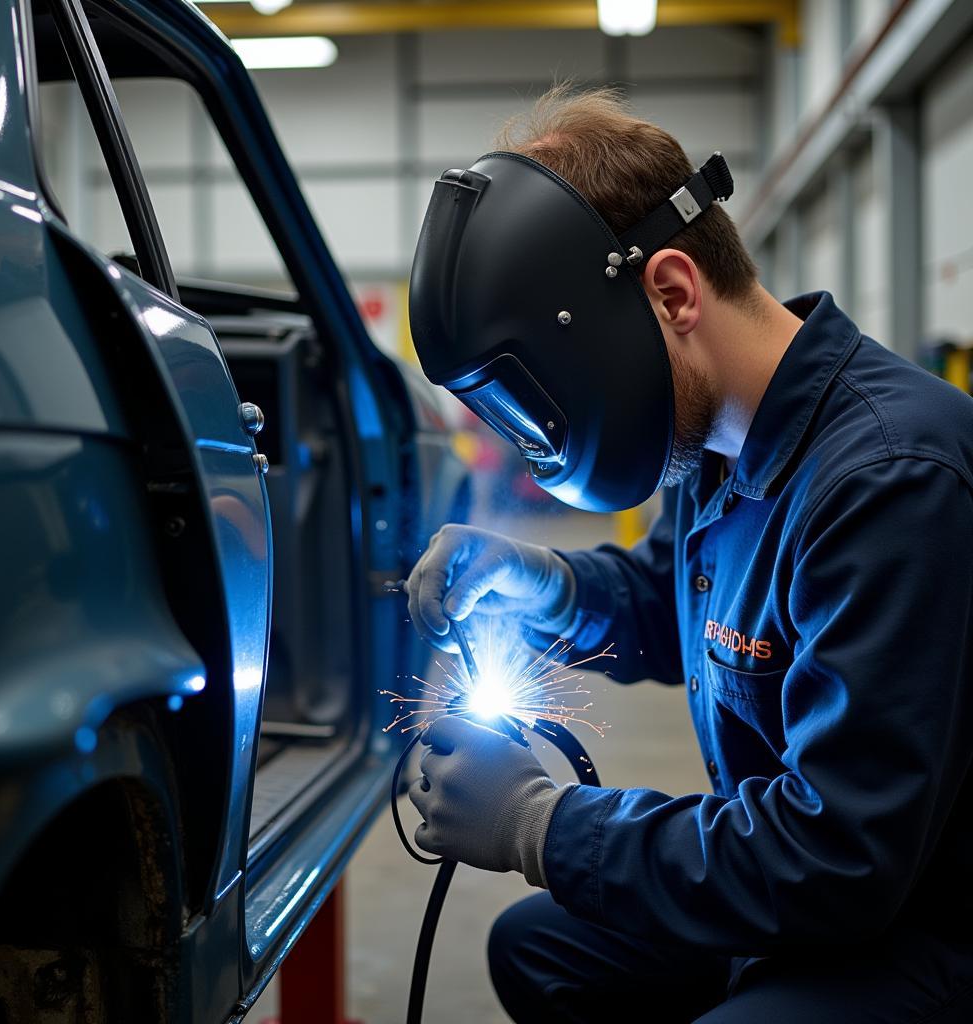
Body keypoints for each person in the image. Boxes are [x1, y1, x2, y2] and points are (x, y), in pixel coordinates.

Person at [404, 86, 973, 1022]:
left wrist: (539, 824)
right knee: (539, 947)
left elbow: (840, 855)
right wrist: (542, 582)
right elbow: (676, 606)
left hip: (915, 927)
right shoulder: (719, 441)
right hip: (814, 901)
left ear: (671, 292)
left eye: (550, 398)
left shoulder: (888, 478)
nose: (545, 444)